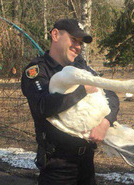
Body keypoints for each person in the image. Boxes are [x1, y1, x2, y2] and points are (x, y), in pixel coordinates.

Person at [21, 19, 119, 185]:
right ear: (55, 35)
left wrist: (106, 122)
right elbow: (43, 106)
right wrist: (82, 90)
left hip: (86, 162)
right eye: (74, 40)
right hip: (57, 166)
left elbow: (110, 94)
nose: (78, 47)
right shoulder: (38, 70)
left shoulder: (82, 68)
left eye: (80, 43)